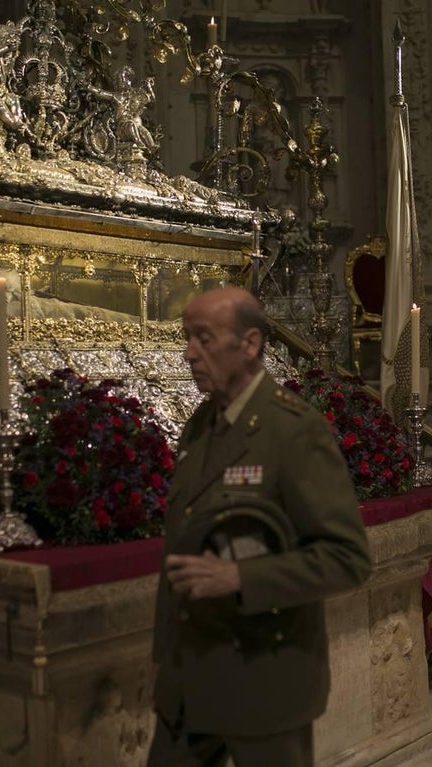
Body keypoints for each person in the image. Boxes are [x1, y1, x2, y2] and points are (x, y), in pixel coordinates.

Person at [148, 286, 371, 767]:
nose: (189, 352)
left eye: (203, 338)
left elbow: (347, 558)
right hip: (190, 681)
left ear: (249, 344)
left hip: (264, 681)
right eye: (187, 337)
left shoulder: (293, 430)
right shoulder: (201, 424)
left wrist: (241, 579)